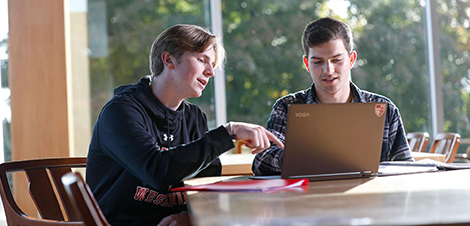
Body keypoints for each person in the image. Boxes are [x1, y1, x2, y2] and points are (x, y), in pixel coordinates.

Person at [86, 24, 284, 226]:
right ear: (169, 60)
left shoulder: (195, 117)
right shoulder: (120, 111)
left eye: (212, 64)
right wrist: (228, 133)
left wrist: (189, 216)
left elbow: (208, 183)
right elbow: (158, 171)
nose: (210, 72)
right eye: (202, 60)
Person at [252, 17, 413, 176]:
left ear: (351, 59)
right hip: (306, 200)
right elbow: (261, 162)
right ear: (307, 64)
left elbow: (406, 170)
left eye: (336, 60)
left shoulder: (384, 108)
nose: (328, 70)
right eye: (317, 62)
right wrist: (310, 159)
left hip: (369, 200)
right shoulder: (287, 107)